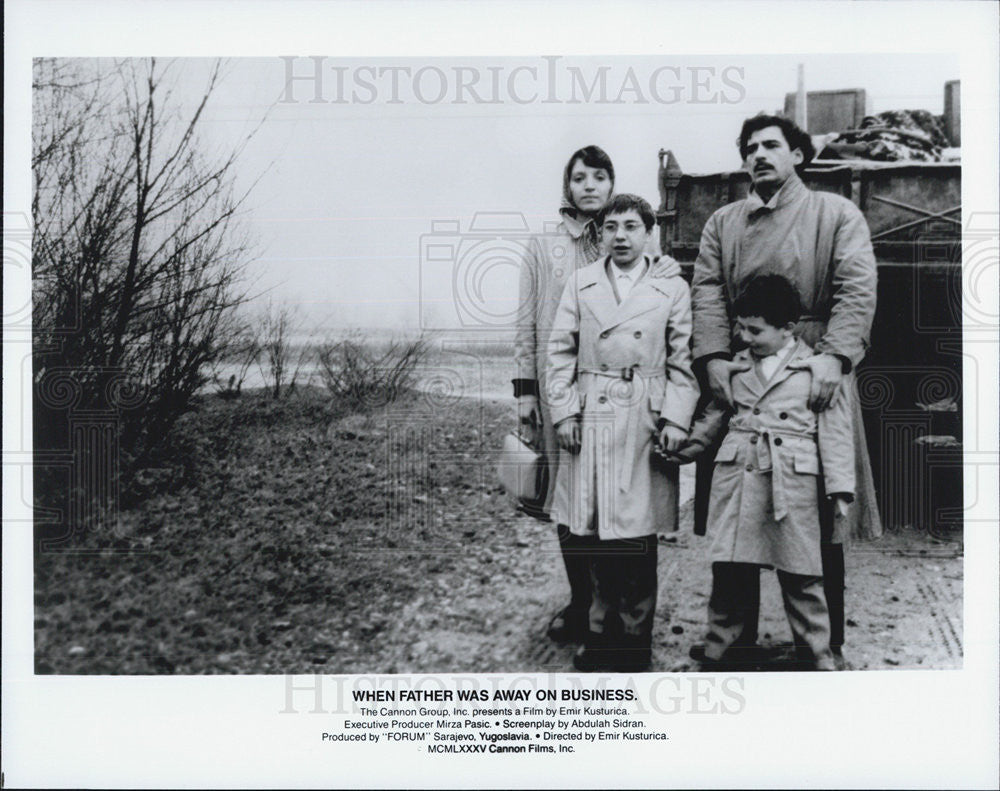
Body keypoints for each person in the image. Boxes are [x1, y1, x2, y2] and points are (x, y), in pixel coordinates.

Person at [686, 113, 880, 670]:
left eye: (772, 145)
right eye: (750, 147)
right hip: (741, 376)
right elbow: (705, 292)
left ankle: (825, 644)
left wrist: (835, 358)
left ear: (799, 155)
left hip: (812, 373)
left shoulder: (836, 213)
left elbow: (856, 287)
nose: (759, 155)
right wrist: (714, 357)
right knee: (736, 512)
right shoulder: (724, 222)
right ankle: (733, 641)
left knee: (819, 514)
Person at [513, 145, 660, 645]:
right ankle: (582, 604)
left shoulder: (631, 241)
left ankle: (620, 614)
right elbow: (526, 321)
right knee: (569, 504)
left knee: (621, 499)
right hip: (561, 392)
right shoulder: (542, 246)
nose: (591, 186)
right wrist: (527, 395)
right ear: (567, 187)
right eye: (580, 178)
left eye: (601, 176)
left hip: (618, 394)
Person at [545, 194, 698, 672]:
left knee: (635, 535)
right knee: (592, 530)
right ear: (601, 234)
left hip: (642, 419)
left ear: (649, 232)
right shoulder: (580, 282)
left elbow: (682, 362)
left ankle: (634, 639)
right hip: (592, 414)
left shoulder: (670, 287)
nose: (621, 236)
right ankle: (598, 632)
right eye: (611, 227)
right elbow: (559, 353)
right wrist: (565, 412)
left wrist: (675, 418)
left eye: (632, 226)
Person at [677, 275, 854, 671]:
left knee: (802, 573)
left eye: (754, 330)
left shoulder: (817, 372)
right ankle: (720, 647)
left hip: (791, 482)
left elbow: (836, 432)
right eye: (740, 327)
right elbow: (713, 416)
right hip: (739, 475)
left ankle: (817, 653)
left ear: (787, 329)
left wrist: (840, 489)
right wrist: (686, 449)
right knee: (730, 569)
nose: (743, 336)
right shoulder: (736, 368)